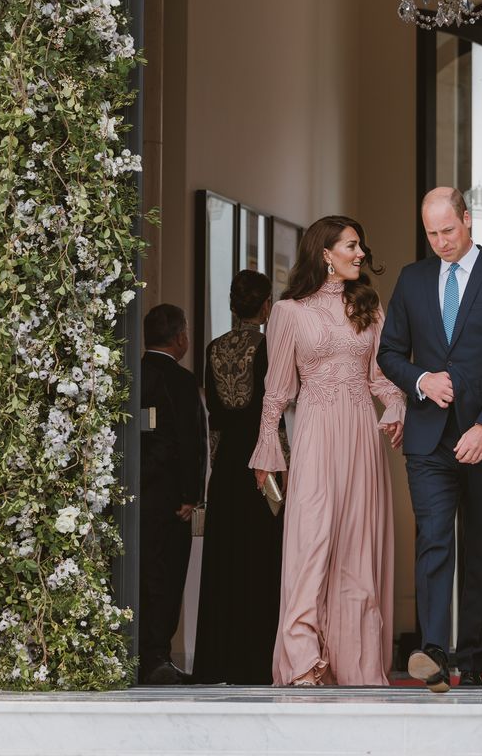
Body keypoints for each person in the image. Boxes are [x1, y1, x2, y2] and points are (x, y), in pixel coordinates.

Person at [378, 187, 482, 691]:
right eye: (432, 233)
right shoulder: (412, 279)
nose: (441, 241)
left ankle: (472, 660)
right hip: (428, 440)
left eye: (449, 230)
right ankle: (436, 653)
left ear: (468, 220)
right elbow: (390, 353)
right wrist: (422, 380)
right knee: (435, 541)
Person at [249, 216, 406, 686]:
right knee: (312, 542)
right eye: (351, 246)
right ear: (326, 254)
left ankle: (356, 663)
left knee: (358, 549)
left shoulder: (369, 307)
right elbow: (276, 391)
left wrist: (396, 404)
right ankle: (302, 659)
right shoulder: (288, 312)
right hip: (316, 434)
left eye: (360, 246)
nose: (360, 254)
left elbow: (380, 378)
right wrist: (267, 451)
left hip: (360, 435)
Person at [192, 270, 284, 685]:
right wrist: (286, 469)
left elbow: (214, 421)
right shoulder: (270, 347)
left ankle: (218, 660)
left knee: (225, 562)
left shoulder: (212, 348)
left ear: (234, 305)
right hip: (262, 465)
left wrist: (217, 467)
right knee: (261, 560)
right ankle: (256, 660)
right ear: (266, 305)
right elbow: (274, 416)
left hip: (228, 465)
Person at [139, 303, 205, 685]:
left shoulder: (133, 376)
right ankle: (156, 655)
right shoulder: (181, 382)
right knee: (167, 577)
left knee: (142, 573)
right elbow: (191, 441)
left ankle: (137, 652)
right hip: (171, 500)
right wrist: (191, 494)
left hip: (137, 497)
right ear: (181, 338)